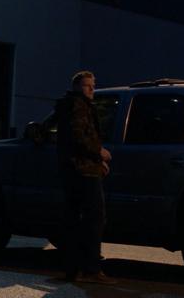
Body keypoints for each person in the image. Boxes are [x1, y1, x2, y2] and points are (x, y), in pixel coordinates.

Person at [55, 70, 117, 285]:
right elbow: (79, 136)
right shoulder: (77, 106)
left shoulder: (74, 105)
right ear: (76, 87)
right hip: (82, 171)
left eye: (93, 85)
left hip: (80, 168)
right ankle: (91, 269)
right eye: (87, 85)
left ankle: (74, 269)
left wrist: (97, 161)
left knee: (75, 219)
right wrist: (99, 152)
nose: (92, 89)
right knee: (94, 219)